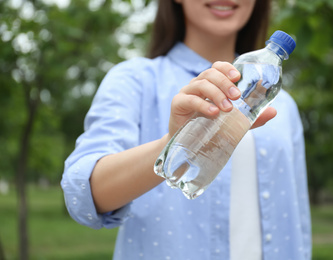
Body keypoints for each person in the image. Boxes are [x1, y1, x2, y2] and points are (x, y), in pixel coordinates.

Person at [61, 0, 312, 259]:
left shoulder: (283, 106)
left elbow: (298, 224)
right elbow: (84, 196)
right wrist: (175, 142)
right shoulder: (135, 80)